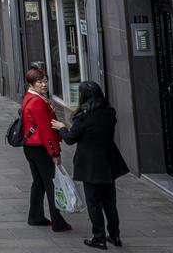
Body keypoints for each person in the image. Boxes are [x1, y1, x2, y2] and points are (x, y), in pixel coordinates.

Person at [51, 81, 127, 248]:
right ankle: (115, 235)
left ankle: (99, 237)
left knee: (94, 203)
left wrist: (62, 127)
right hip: (108, 163)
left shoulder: (84, 117)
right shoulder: (109, 113)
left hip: (91, 165)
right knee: (110, 202)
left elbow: (70, 139)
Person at [21, 68, 71, 232]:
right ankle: (58, 222)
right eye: (39, 82)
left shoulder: (30, 97)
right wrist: (55, 153)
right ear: (31, 84)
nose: (44, 85)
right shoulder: (37, 102)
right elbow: (46, 131)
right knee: (51, 185)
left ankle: (35, 216)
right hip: (40, 148)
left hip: (31, 146)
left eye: (45, 81)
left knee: (39, 183)